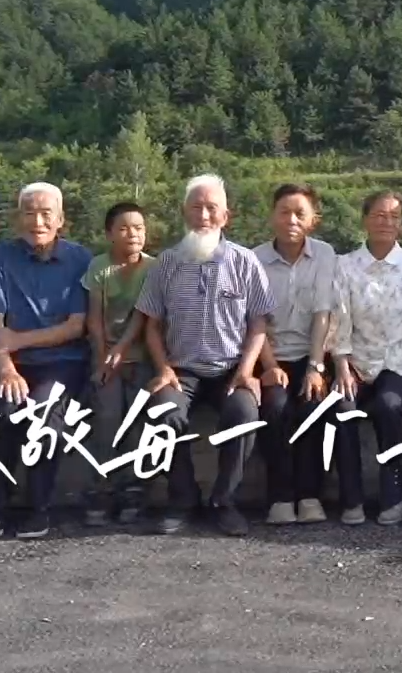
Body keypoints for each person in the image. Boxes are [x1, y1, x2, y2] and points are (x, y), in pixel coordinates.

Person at [137, 173, 272, 538]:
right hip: (181, 370)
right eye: (196, 207)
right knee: (162, 413)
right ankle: (183, 500)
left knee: (244, 414)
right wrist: (163, 368)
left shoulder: (244, 262)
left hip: (230, 369)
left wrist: (246, 371)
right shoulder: (166, 263)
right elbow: (152, 325)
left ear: (226, 216)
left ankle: (223, 502)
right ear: (185, 212)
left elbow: (259, 323)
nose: (204, 215)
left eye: (212, 208)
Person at [0, 182, 93, 540]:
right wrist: (6, 368)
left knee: (43, 409)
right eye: (29, 213)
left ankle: (38, 507)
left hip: (63, 361)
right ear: (18, 218)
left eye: (46, 214)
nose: (37, 221)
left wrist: (19, 339)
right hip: (13, 362)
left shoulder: (80, 259)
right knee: (1, 410)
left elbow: (75, 327)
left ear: (60, 220)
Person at [329, 190, 402, 526]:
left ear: (401, 223)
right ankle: (351, 499)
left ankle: (393, 496)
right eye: (378, 215)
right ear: (365, 220)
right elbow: (339, 319)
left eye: (393, 216)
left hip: (398, 361)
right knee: (343, 410)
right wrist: (342, 367)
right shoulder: (345, 265)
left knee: (390, 406)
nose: (386, 222)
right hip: (356, 362)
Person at [253, 184, 348, 525]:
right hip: (270, 355)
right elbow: (255, 319)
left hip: (312, 355)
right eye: (284, 212)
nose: (291, 220)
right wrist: (268, 365)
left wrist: (315, 366)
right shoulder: (255, 259)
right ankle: (280, 496)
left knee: (313, 407)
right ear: (272, 216)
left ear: (313, 220)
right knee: (275, 409)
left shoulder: (324, 254)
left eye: (299, 214)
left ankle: (310, 495)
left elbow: (324, 313)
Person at [79, 201, 155, 526]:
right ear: (109, 234)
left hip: (142, 358)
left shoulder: (153, 268)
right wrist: (102, 358)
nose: (132, 234)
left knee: (137, 424)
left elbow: (144, 315)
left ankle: (133, 491)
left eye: (138, 228)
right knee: (107, 418)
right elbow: (94, 317)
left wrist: (122, 349)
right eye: (123, 228)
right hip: (105, 358)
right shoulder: (100, 267)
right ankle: (100, 489)